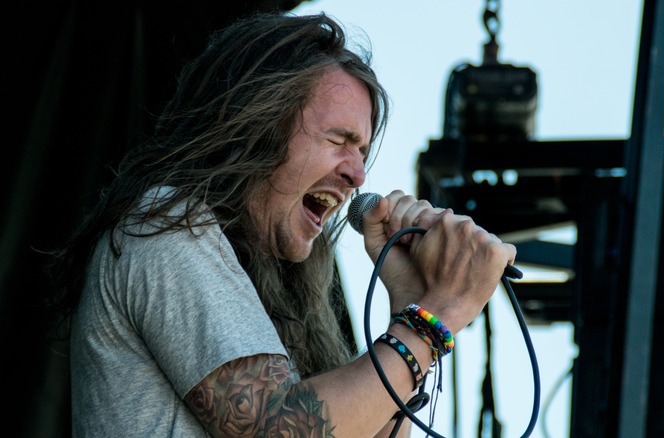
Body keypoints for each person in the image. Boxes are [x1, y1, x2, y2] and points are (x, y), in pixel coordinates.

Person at [49, 12, 516, 437]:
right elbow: (279, 431)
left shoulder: (273, 281)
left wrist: (410, 306)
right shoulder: (169, 228)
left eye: (362, 151)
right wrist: (440, 314)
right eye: (340, 140)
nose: (358, 175)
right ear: (256, 125)